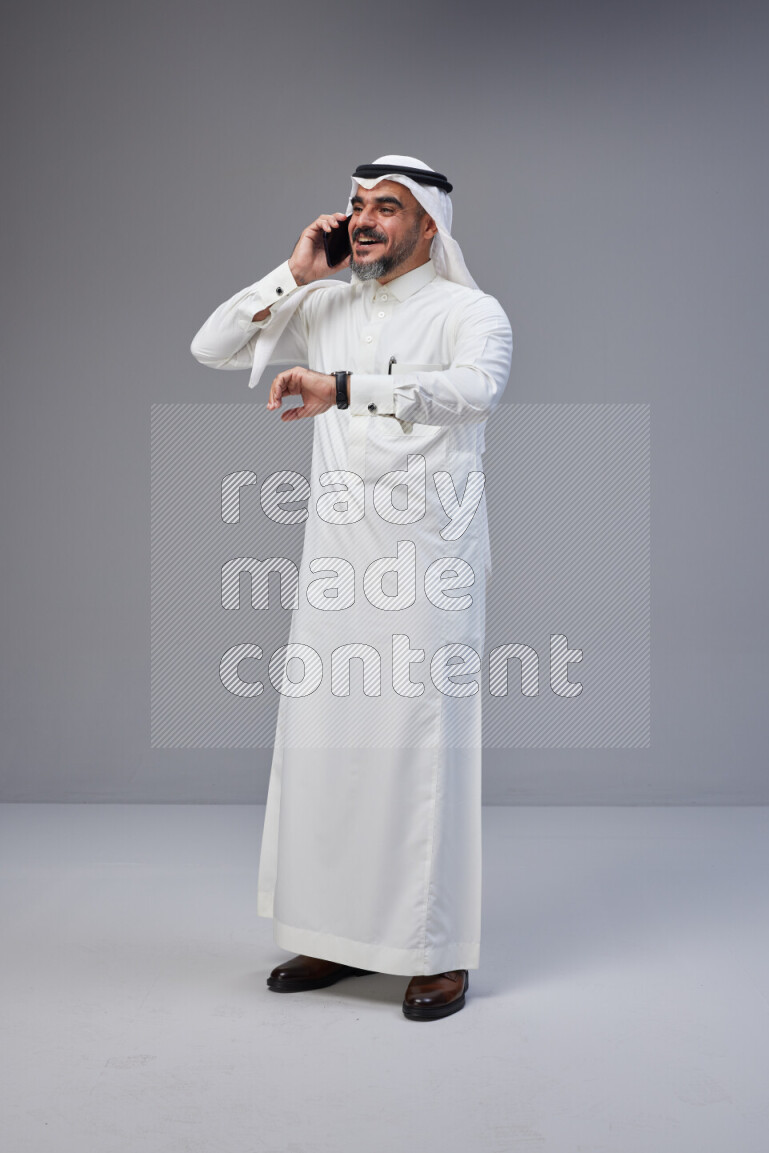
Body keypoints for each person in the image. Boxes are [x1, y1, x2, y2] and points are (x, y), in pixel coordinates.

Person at [190, 155, 513, 1020]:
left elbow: (473, 392)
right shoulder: (325, 303)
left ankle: (435, 950)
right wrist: (294, 273)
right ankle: (334, 936)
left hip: (426, 564)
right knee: (327, 748)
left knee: (420, 753)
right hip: (336, 564)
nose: (365, 219)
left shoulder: (469, 311)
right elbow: (212, 346)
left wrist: (342, 388)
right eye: (357, 205)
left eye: (388, 208)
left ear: (429, 226)